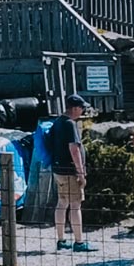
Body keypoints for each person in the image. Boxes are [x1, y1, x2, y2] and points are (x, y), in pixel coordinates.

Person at [46, 94, 92, 252]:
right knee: (75, 205)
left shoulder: (57, 122)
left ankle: (61, 239)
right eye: (82, 108)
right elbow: (74, 149)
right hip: (70, 170)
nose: (82, 111)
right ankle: (79, 242)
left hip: (58, 169)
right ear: (75, 108)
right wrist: (81, 172)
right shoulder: (70, 124)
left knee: (61, 203)